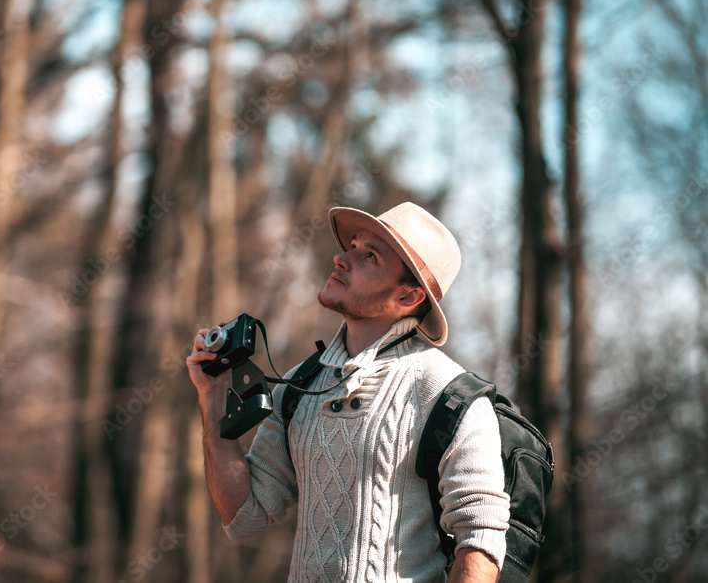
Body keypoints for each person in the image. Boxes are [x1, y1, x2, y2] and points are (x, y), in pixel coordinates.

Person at [186, 202, 510, 583]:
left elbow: (481, 543)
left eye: (369, 256)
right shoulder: (300, 383)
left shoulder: (451, 397)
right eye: (352, 246)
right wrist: (212, 399)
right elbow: (245, 515)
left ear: (408, 297)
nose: (341, 259)